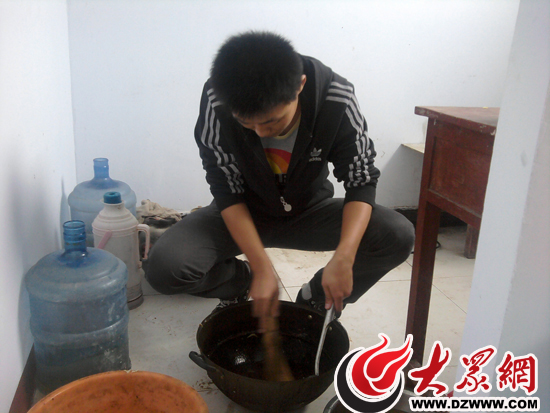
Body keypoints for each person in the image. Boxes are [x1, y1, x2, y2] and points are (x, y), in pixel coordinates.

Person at [144, 31, 415, 330]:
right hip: (244, 211)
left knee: (396, 233)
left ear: (300, 85)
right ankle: (239, 282)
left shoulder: (335, 97)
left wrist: (345, 257)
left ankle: (315, 299)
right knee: (165, 268)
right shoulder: (218, 99)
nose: (261, 133)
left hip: (309, 212)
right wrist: (261, 268)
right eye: (246, 123)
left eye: (272, 121)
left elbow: (360, 181)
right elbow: (225, 187)